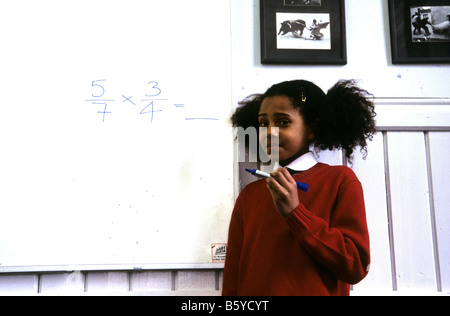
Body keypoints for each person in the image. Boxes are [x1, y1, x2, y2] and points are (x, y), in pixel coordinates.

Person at [222, 79, 376, 296]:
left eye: (283, 122)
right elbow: (233, 278)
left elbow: (355, 266)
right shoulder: (249, 196)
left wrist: (296, 214)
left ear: (312, 128)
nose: (269, 132)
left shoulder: (340, 180)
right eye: (263, 123)